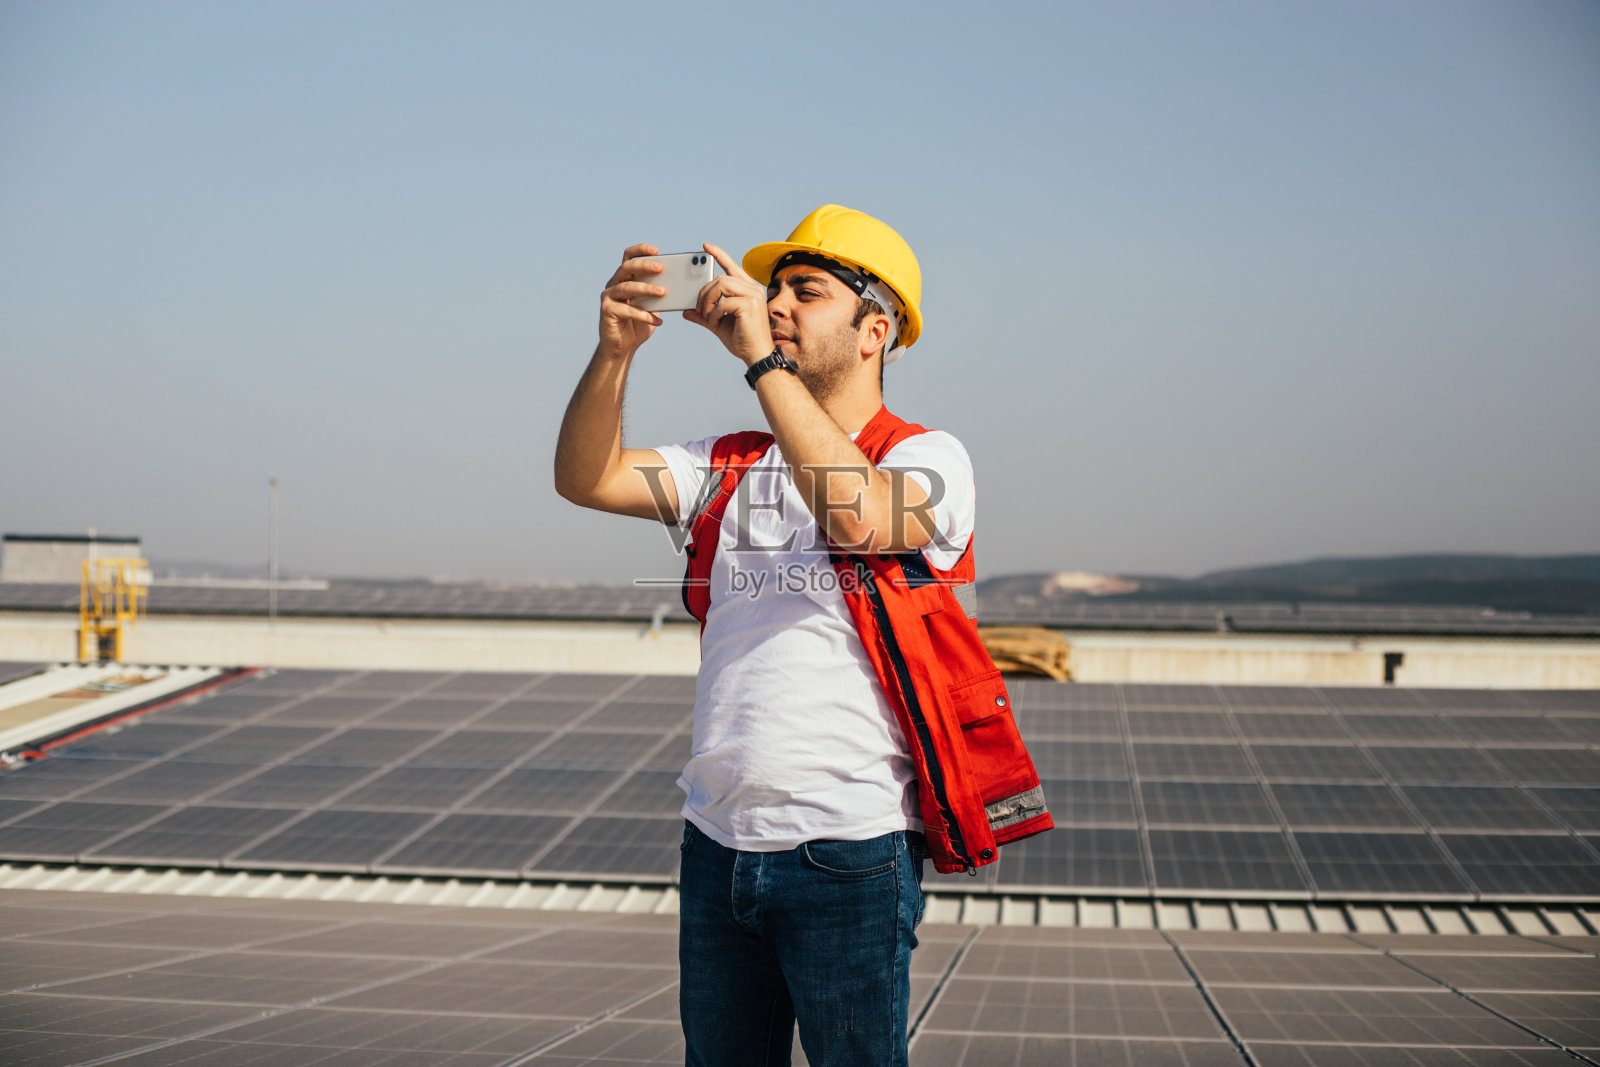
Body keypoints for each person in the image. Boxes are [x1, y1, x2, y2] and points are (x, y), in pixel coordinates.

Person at [554, 205, 1049, 1067]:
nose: (774, 304)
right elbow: (586, 477)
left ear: (875, 329)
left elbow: (858, 516)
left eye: (805, 292)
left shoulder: (928, 456)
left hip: (850, 849)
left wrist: (762, 361)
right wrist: (615, 352)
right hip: (716, 843)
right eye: (771, 289)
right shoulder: (729, 460)